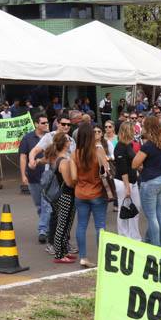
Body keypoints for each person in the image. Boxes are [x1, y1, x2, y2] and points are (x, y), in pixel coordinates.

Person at [70, 123, 108, 268]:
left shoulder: (75, 155)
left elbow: (73, 177)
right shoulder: (98, 152)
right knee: (100, 226)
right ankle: (102, 258)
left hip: (80, 193)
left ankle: (83, 257)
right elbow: (106, 171)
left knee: (81, 225)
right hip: (97, 192)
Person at [132, 115, 161, 247]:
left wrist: (142, 165)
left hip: (150, 181)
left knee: (152, 217)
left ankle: (156, 245)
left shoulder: (148, 145)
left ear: (147, 127)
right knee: (160, 214)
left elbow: (134, 164)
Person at [19, 113, 51, 243]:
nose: (46, 125)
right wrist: (23, 175)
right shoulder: (27, 138)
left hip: (48, 177)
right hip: (33, 177)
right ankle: (46, 226)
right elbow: (23, 156)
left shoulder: (51, 137)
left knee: (46, 203)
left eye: (47, 122)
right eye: (43, 123)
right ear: (36, 124)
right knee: (39, 205)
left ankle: (43, 229)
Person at [45, 132, 77, 263]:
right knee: (63, 224)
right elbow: (69, 182)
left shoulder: (61, 158)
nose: (70, 142)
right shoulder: (63, 161)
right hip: (66, 195)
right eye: (69, 140)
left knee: (66, 224)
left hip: (66, 195)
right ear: (65, 144)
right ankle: (59, 254)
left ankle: (64, 250)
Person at [114, 121, 141, 240]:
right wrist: (127, 187)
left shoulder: (129, 145)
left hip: (133, 181)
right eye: (132, 130)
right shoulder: (119, 147)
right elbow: (122, 169)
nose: (135, 132)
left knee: (136, 208)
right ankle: (124, 236)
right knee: (123, 208)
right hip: (123, 182)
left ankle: (134, 236)